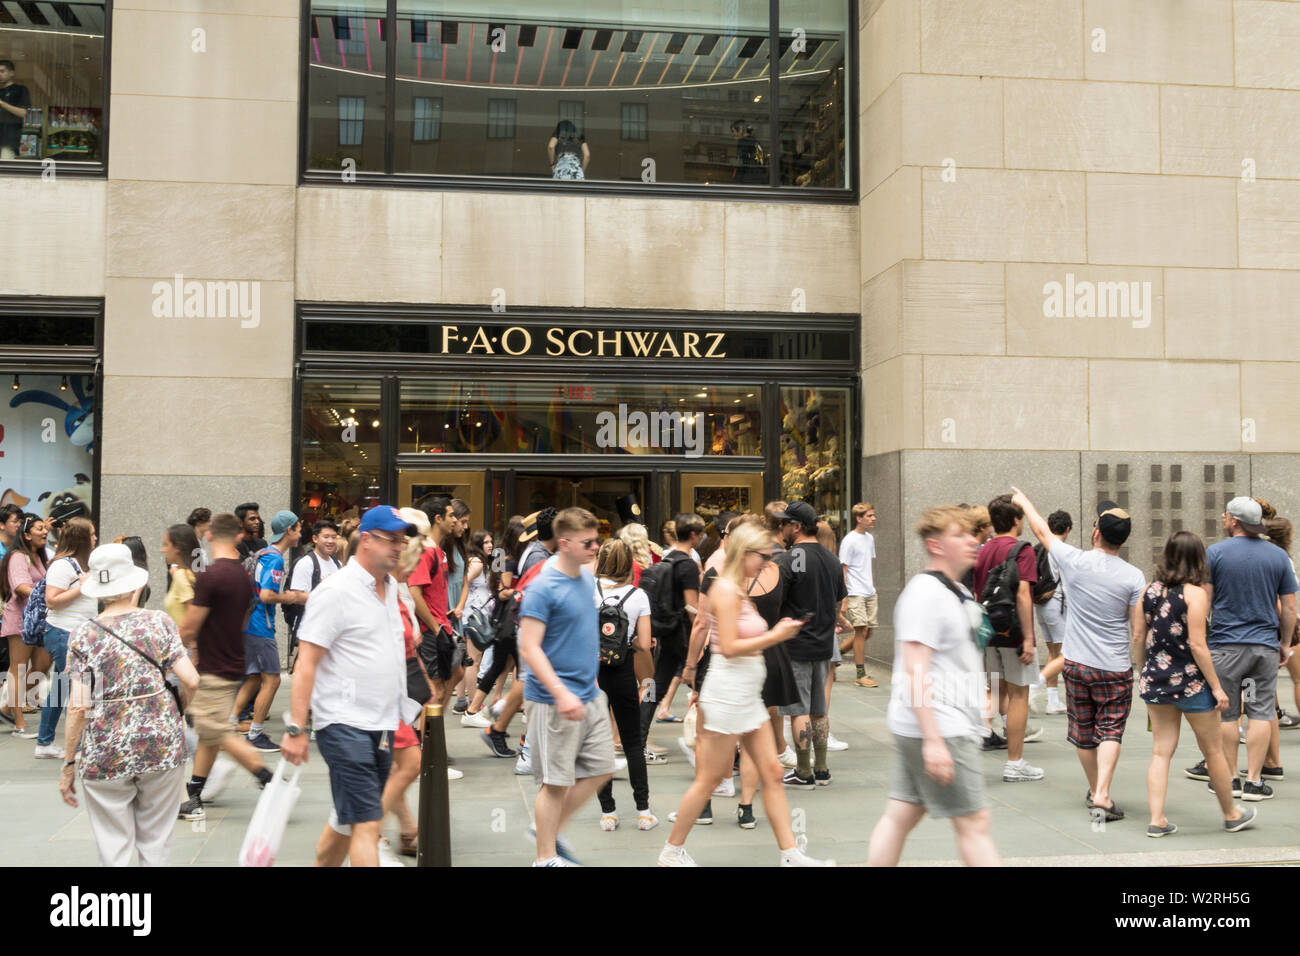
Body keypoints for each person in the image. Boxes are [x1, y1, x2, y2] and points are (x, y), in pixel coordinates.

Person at [660, 521, 831, 867]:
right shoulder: (724, 590)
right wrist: (777, 636)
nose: (767, 564)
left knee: (771, 773)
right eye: (763, 557)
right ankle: (671, 851)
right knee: (709, 779)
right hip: (729, 693)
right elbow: (732, 647)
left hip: (745, 693)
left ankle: (789, 854)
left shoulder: (736, 589)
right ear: (745, 553)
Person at [281, 505, 415, 868]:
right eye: (392, 539)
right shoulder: (336, 591)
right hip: (343, 722)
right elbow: (305, 661)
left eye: (402, 540)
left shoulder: (389, 586)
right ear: (366, 540)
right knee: (367, 824)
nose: (399, 547)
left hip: (382, 722)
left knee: (346, 819)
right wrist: (296, 726)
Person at [866, 507, 1000, 866]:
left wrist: (980, 696)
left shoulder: (955, 590)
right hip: (940, 724)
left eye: (972, 533)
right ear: (935, 545)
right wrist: (934, 740)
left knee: (902, 813)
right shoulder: (925, 593)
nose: (973, 540)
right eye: (960, 534)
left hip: (936, 723)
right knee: (974, 821)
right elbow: (915, 670)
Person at [58, 543, 200, 866]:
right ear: (136, 584)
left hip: (105, 750)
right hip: (161, 746)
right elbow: (191, 680)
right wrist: (178, 710)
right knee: (157, 842)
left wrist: (68, 765)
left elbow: (78, 707)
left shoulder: (83, 636)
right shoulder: (159, 623)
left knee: (113, 845)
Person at [1013, 490, 1145, 821]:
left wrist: (1024, 500)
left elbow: (1042, 532)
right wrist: (1140, 668)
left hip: (1076, 663)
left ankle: (1097, 790)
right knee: (1111, 730)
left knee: (1084, 732)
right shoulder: (1134, 576)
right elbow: (1138, 630)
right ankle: (1102, 794)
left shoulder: (1075, 560)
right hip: (1115, 666)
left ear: (1097, 533)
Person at [1137, 531, 1255, 836]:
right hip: (1190, 682)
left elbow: (1139, 637)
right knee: (1213, 750)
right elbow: (1199, 645)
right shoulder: (1195, 594)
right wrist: (1217, 687)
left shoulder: (1147, 592)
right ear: (1198, 559)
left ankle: (1156, 819)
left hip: (1156, 680)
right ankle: (1231, 814)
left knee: (1161, 751)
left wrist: (1143, 671)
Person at [518, 507, 615, 867]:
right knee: (555, 782)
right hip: (553, 700)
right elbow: (530, 647)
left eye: (597, 540)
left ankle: (548, 829)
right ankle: (545, 857)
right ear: (564, 543)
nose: (595, 547)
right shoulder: (543, 586)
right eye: (588, 542)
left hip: (588, 694)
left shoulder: (587, 579)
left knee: (603, 768)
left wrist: (589, 681)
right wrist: (560, 692)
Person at [1193, 497, 1297, 801]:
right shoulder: (1277, 556)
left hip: (1226, 648)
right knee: (1260, 712)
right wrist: (1285, 643)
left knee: (1228, 714)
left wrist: (1201, 639)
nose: (1223, 519)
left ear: (1235, 521)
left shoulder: (1215, 554)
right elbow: (1289, 607)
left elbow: (1204, 601)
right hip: (1263, 649)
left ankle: (1230, 779)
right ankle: (1254, 781)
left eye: (1225, 515)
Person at [177, 513, 275, 821]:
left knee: (213, 729)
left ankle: (268, 778)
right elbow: (243, 618)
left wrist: (180, 648)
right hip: (232, 660)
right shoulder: (244, 578)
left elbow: (189, 628)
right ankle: (194, 795)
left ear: (208, 535)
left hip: (213, 665)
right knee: (209, 732)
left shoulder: (211, 576)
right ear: (237, 536)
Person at [971, 494, 1043, 782]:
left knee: (996, 690)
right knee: (1018, 696)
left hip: (989, 633)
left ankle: (989, 737)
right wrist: (1028, 638)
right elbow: (1024, 595)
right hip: (1014, 633)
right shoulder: (1022, 550)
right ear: (1016, 519)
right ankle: (1015, 763)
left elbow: (978, 593)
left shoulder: (983, 550)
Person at [775, 500, 845, 789]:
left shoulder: (789, 559)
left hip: (795, 644)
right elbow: (839, 601)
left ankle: (803, 772)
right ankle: (823, 768)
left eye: (784, 523)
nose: (781, 528)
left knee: (798, 709)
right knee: (819, 709)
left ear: (797, 527)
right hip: (823, 643)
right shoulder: (831, 558)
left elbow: (775, 600)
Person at [593, 539, 656, 832]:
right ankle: (643, 811)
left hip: (592, 673)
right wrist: (629, 642)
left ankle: (608, 812)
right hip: (621, 674)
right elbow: (644, 644)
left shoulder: (589, 591)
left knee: (598, 743)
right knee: (632, 743)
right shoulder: (638, 595)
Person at [231, 510, 304, 752]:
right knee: (271, 680)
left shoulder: (263, 553)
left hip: (249, 624)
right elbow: (266, 595)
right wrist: (291, 597)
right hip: (261, 626)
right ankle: (255, 734)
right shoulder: (275, 558)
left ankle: (228, 727)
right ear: (290, 530)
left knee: (253, 678)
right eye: (299, 528)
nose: (301, 533)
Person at [640, 513, 703, 760]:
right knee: (703, 683)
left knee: (658, 684)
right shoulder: (686, 564)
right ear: (695, 535)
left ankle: (639, 738)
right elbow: (692, 607)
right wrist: (700, 640)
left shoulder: (667, 557)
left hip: (667, 631)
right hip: (683, 635)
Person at [33, 516, 97, 758]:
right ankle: (78, 747)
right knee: (78, 692)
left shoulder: (81, 565)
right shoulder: (63, 565)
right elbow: (52, 601)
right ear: (81, 538)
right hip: (64, 635)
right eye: (91, 534)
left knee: (60, 690)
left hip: (74, 635)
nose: (95, 538)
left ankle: (45, 743)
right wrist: (81, 587)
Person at [409, 495, 462, 708]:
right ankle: (425, 739)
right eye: (451, 516)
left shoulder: (437, 550)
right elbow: (415, 593)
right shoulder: (427, 551)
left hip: (439, 626)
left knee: (455, 673)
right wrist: (435, 627)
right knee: (435, 691)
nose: (456, 521)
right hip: (431, 629)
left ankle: (431, 732)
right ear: (438, 518)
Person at [1, 514, 48, 736]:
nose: (45, 532)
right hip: (20, 619)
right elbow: (20, 586)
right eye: (40, 529)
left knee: (42, 666)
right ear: (27, 535)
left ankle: (6, 706)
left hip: (38, 620)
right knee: (18, 669)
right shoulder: (18, 556)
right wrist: (48, 597)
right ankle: (18, 722)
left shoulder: (39, 557)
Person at [1033, 510, 1072, 715]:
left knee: (1054, 654)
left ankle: (1053, 701)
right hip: (1056, 604)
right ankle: (1034, 687)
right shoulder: (1061, 549)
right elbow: (1066, 584)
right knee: (1065, 654)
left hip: (1040, 604)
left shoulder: (1039, 547)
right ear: (1067, 528)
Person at [839, 502, 879, 688]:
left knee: (867, 631)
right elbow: (844, 570)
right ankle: (860, 674)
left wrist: (872, 587)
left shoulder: (869, 539)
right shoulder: (849, 540)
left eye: (873, 515)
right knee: (861, 631)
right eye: (869, 516)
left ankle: (835, 656)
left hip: (869, 591)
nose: (873, 519)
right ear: (858, 518)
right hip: (855, 592)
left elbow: (867, 565)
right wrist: (844, 599)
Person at [162, 523, 202, 632]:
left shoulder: (181, 576)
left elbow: (194, 616)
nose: (162, 550)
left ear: (177, 548)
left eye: (166, 545)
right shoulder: (191, 573)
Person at [0, 60, 31, 161]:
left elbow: (22, 113)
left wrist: (2, 103)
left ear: (12, 73)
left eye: (2, 71)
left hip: (9, 141)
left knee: (5, 172)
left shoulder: (20, 90)